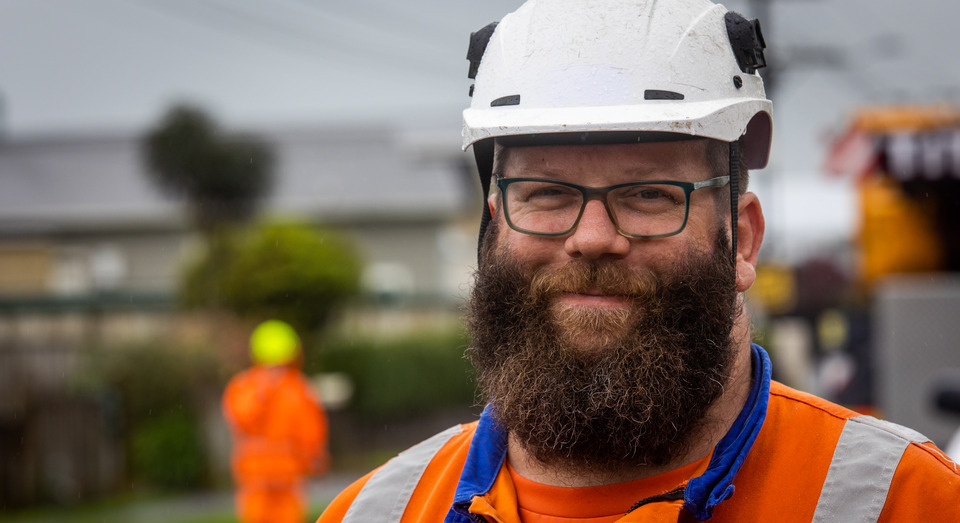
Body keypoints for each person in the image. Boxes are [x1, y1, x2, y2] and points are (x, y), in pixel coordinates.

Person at [320, 0, 960, 521]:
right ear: (493, 228)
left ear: (743, 238)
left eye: (650, 195)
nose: (592, 237)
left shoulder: (904, 501)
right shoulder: (378, 511)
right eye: (546, 193)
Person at [223, 319, 329, 523]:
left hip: (284, 476)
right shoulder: (250, 386)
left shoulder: (293, 387)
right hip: (259, 477)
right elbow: (242, 418)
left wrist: (316, 457)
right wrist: (265, 391)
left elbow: (309, 430)